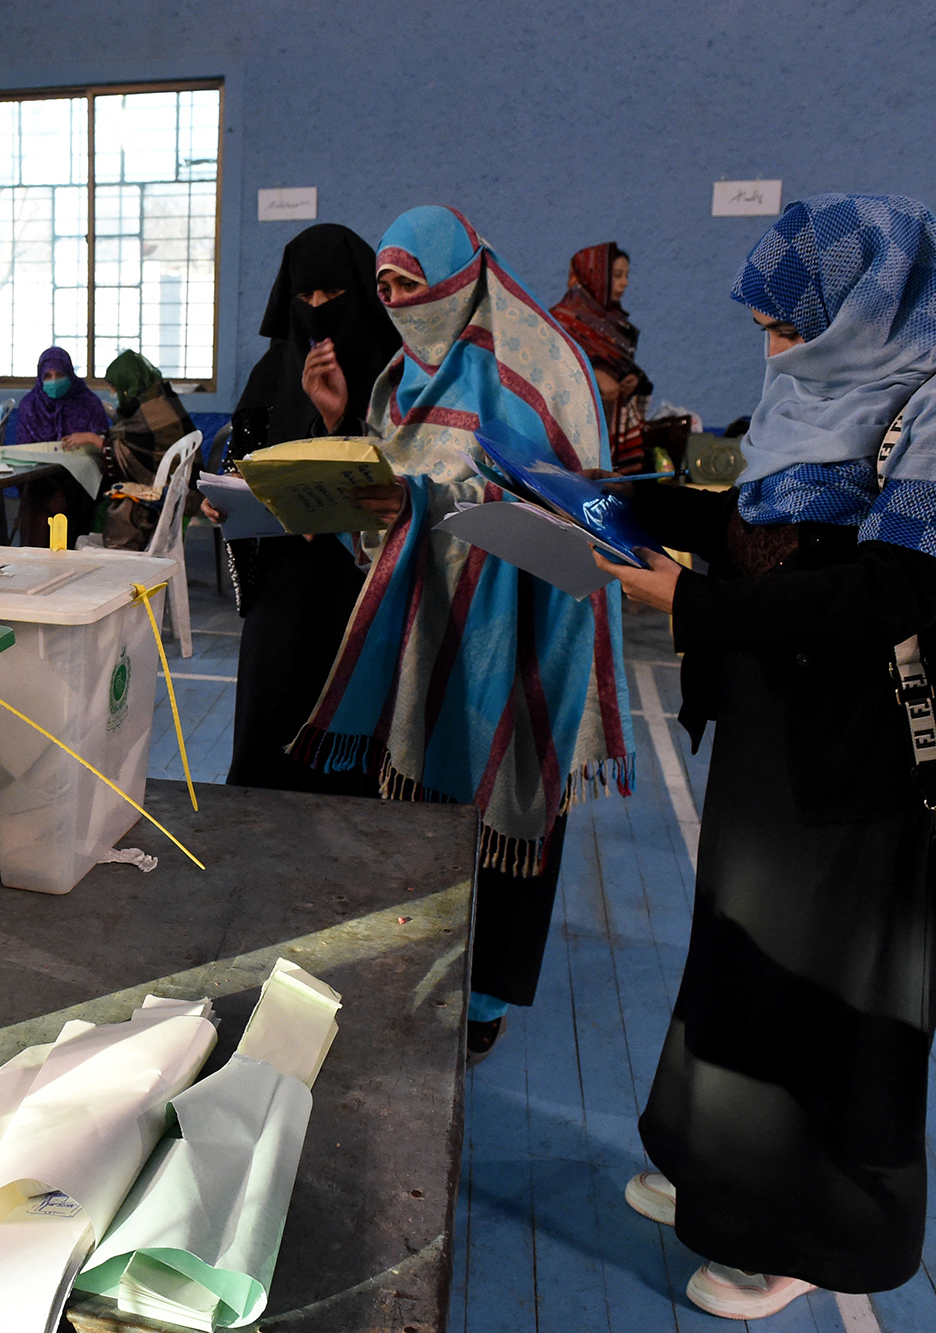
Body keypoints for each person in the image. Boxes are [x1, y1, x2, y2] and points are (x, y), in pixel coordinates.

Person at [603, 195, 936, 1319]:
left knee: (835, 998)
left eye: (790, 328)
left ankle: (810, 1231)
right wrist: (618, 506)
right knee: (742, 958)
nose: (775, 351)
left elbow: (898, 584)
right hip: (781, 744)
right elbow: (777, 530)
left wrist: (692, 607)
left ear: (869, 302)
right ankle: (718, 1161)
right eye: (768, 328)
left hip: (881, 768)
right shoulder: (831, 386)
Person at [292, 206, 634, 1059]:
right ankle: (421, 966)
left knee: (506, 804)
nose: (404, 303)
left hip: (516, 628)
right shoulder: (396, 382)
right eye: (389, 290)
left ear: (462, 274)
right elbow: (380, 523)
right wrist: (345, 467)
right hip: (425, 623)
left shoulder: (541, 366)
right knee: (422, 815)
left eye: (415, 284)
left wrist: (442, 504)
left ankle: (483, 1002)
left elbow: (580, 511)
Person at [201, 223, 402, 794]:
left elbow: (403, 473)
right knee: (269, 729)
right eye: (305, 297)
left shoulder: (393, 372)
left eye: (332, 297)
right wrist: (227, 502)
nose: (317, 311)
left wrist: (339, 423)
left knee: (346, 747)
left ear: (360, 296)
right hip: (283, 588)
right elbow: (243, 458)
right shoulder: (272, 371)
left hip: (357, 590)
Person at [73, 349, 198, 549]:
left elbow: (131, 449)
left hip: (173, 489)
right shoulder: (158, 397)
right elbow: (131, 437)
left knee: (99, 501)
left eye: (114, 387)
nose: (112, 392)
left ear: (127, 385)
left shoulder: (154, 409)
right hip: (184, 483)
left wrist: (94, 440)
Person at [550, 243, 653, 469]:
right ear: (594, 277)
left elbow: (626, 366)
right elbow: (550, 371)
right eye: (616, 276)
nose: (624, 283)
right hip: (572, 432)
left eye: (626, 275)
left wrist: (633, 379)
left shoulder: (617, 325)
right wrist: (591, 375)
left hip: (612, 432)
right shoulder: (559, 322)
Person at [9, 346, 112, 545]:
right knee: (37, 492)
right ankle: (35, 558)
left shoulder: (87, 403)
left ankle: (70, 552)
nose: (54, 381)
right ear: (40, 377)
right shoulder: (30, 405)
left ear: (70, 374)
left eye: (60, 374)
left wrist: (87, 439)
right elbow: (23, 449)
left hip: (78, 478)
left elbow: (101, 444)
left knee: (69, 496)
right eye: (48, 375)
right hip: (40, 477)